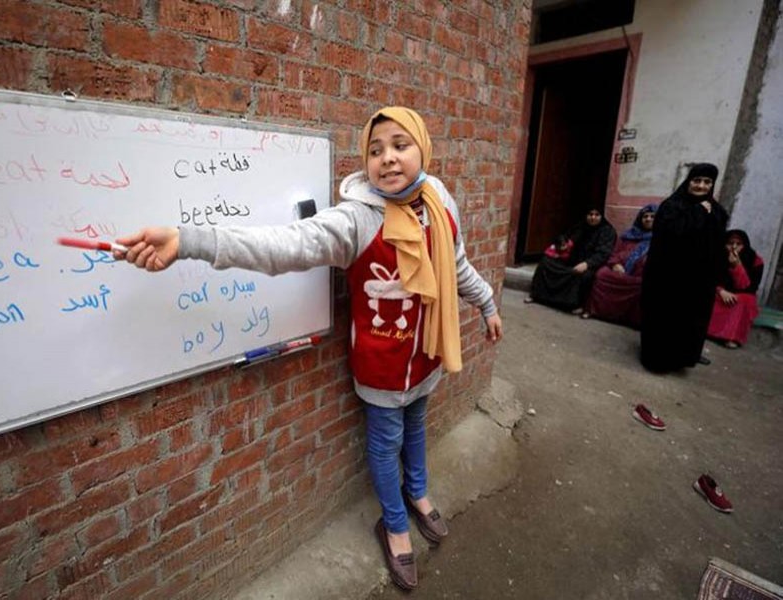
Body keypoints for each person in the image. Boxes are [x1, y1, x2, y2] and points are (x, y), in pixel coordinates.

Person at [113, 107, 503, 591]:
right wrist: (189, 239)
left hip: (426, 352)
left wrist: (486, 304)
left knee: (418, 424)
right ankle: (395, 523)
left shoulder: (438, 201)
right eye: (375, 149)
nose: (387, 158)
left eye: (400, 145)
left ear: (423, 147)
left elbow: (458, 265)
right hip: (381, 365)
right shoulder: (355, 219)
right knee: (386, 443)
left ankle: (419, 493)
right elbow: (284, 245)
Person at [640, 163, 729, 372]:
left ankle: (686, 357)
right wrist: (698, 213)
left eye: (707, 182)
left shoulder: (716, 210)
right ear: (688, 182)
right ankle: (657, 361)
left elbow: (716, 242)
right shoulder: (672, 206)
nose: (701, 186)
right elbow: (671, 235)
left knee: (691, 320)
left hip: (698, 279)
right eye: (696, 181)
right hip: (669, 276)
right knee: (665, 320)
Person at [526, 208, 617, 312]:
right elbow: (566, 239)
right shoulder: (580, 226)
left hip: (590, 264)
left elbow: (604, 253)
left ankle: (575, 305)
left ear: (601, 216)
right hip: (572, 259)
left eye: (597, 215)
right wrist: (561, 248)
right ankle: (537, 295)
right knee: (545, 262)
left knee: (585, 276)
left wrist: (587, 263)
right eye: (590, 214)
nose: (593, 217)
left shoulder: (608, 231)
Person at [582, 204, 657, 326]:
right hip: (619, 269)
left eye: (652, 217)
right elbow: (615, 252)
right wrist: (615, 264)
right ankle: (594, 310)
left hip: (639, 275)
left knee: (643, 285)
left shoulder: (661, 237)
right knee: (601, 274)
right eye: (645, 216)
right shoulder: (629, 235)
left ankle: (631, 320)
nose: (648, 219)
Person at [708, 229, 764, 348]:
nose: (734, 247)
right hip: (718, 292)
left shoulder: (755, 260)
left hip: (739, 294)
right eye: (730, 243)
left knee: (745, 301)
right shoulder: (717, 255)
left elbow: (749, 287)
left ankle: (731, 337)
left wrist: (737, 266)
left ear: (745, 245)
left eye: (738, 244)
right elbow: (707, 278)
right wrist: (720, 291)